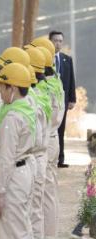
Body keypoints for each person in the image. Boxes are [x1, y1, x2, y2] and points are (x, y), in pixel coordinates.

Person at [0, 62, 37, 239]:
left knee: (12, 237)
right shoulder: (27, 107)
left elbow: (7, 158)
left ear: (13, 88)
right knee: (23, 228)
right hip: (25, 171)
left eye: (2, 87)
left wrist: (0, 194)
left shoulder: (12, 118)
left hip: (13, 177)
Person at [49, 30, 76, 168]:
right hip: (48, 101)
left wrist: (72, 99)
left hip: (63, 101)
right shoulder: (45, 60)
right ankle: (49, 157)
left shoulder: (67, 59)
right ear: (50, 41)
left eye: (60, 41)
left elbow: (71, 80)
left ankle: (60, 159)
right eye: (55, 40)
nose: (58, 43)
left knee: (61, 128)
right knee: (50, 129)